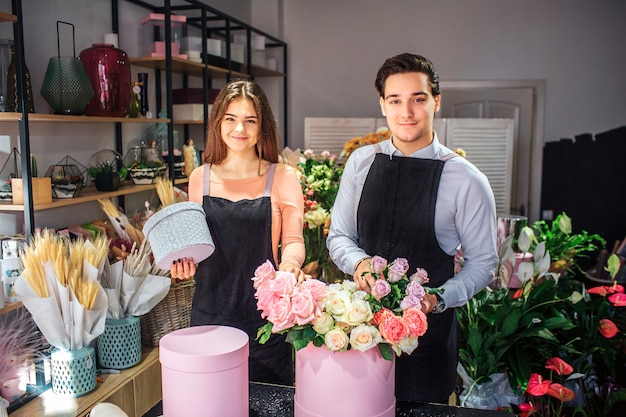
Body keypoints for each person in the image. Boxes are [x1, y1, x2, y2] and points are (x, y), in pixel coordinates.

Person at [327, 53, 498, 403]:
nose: (406, 112)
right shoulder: (361, 163)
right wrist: (359, 264)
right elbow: (340, 236)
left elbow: (484, 264)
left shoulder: (466, 179)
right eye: (396, 100)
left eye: (418, 99)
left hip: (428, 341)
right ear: (383, 105)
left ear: (436, 101)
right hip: (360, 333)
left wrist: (438, 299)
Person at [170, 80, 306, 385]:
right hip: (209, 315)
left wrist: (290, 265)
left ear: (262, 127)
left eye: (250, 120)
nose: (239, 128)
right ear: (219, 123)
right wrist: (183, 265)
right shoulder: (199, 178)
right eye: (230, 118)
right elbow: (195, 245)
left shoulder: (282, 176)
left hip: (266, 320)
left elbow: (294, 241)